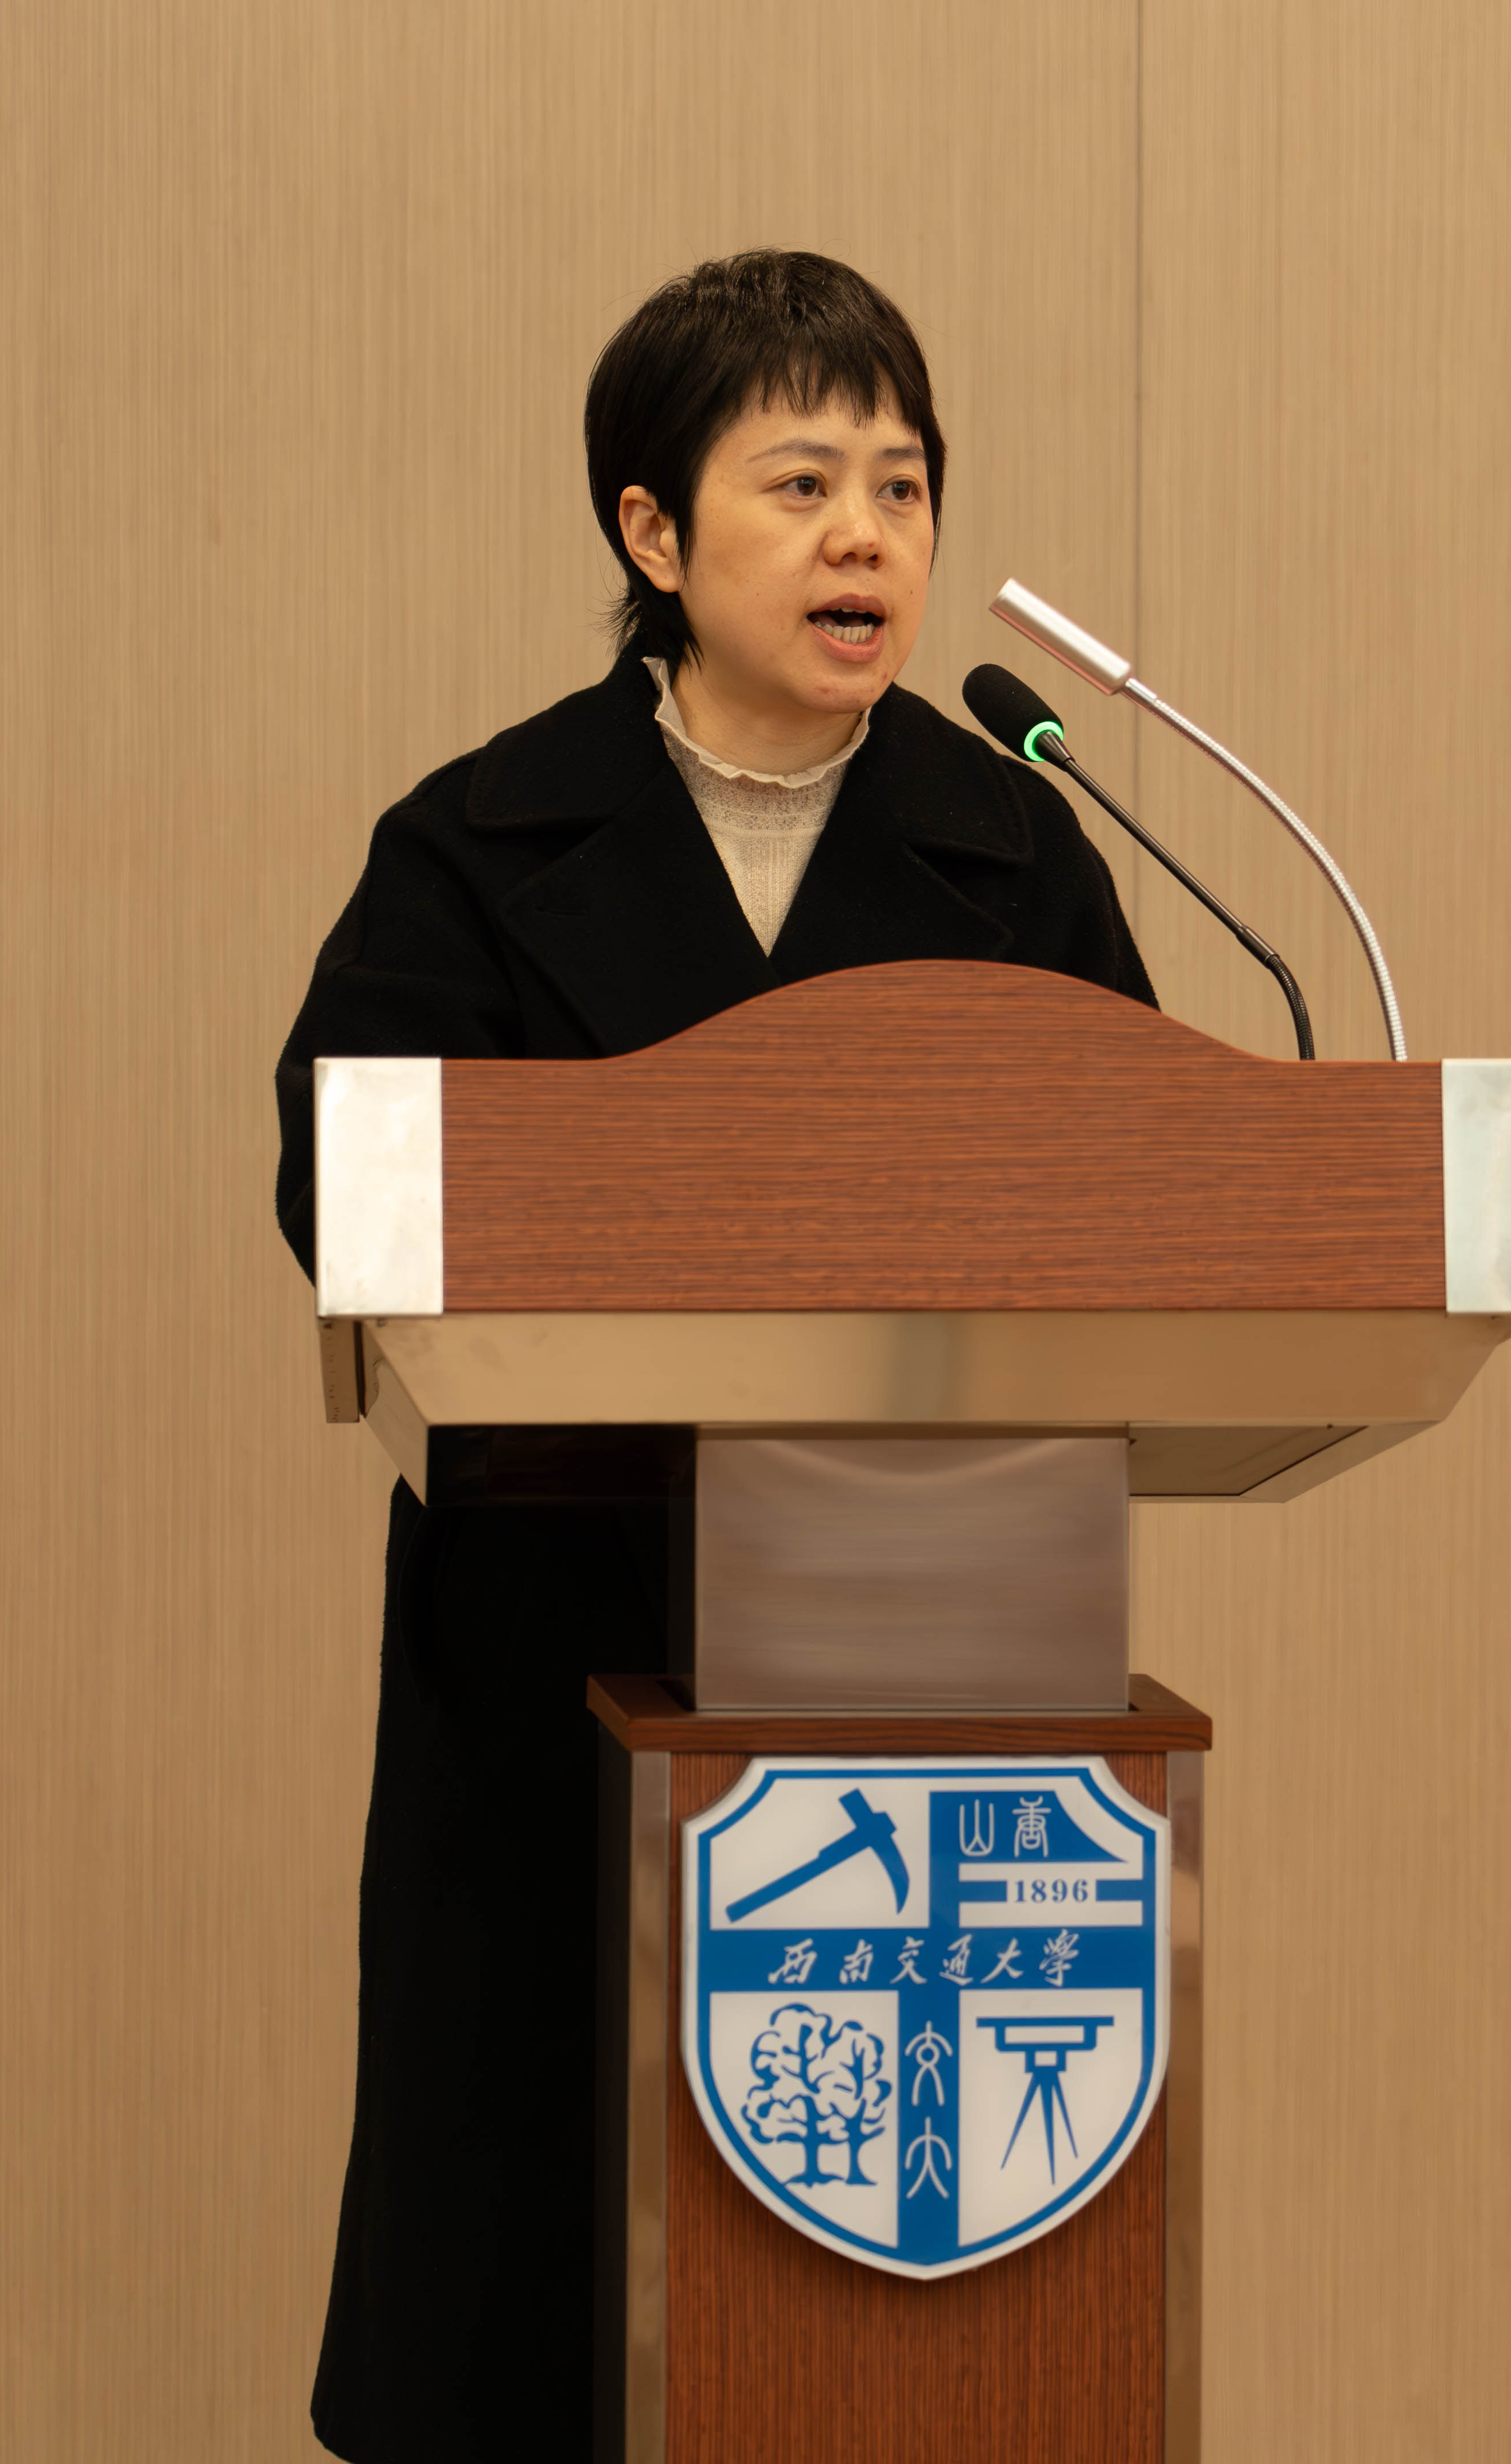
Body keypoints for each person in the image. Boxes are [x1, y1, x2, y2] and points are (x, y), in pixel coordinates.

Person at [268, 251, 1156, 2458]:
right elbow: (350, 1187)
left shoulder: (1016, 844)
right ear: (652, 533)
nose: (867, 536)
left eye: (903, 487)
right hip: (558, 1669)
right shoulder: (479, 844)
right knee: (546, 2294)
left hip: (935, 1680)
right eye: (803, 482)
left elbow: (1150, 1196)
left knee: (902, 2338)